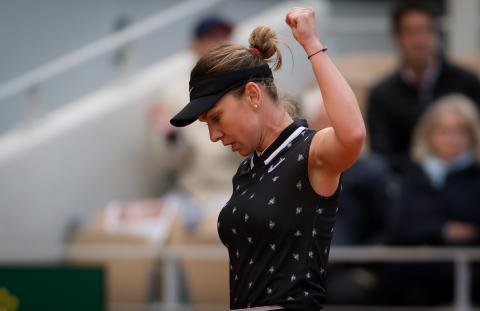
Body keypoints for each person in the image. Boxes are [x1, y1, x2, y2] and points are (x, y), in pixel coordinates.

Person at [169, 6, 365, 311]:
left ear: (252, 95)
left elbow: (352, 135)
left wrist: (311, 44)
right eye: (207, 124)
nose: (213, 136)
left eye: (216, 118)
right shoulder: (247, 169)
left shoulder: (310, 151)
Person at [379, 94, 480, 305]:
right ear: (429, 134)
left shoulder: (475, 177)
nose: (452, 139)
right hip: (413, 275)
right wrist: (443, 230)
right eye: (444, 131)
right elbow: (397, 227)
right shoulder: (414, 174)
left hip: (465, 274)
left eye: (461, 131)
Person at [367, 2, 480, 175]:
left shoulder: (467, 83)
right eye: (412, 32)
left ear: (437, 34)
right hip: (408, 185)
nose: (421, 40)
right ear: (398, 39)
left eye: (427, 30)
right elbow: (382, 155)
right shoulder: (382, 94)